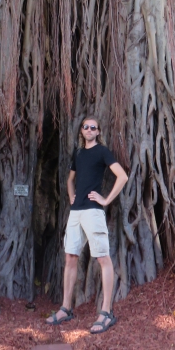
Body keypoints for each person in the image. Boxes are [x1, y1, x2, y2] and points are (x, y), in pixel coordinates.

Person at [46, 118, 128, 334]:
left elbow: (122, 176)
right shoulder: (78, 154)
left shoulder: (102, 151)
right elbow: (69, 180)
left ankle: (106, 312)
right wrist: (71, 195)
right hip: (76, 212)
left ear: (98, 131)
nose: (89, 130)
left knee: (103, 258)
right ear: (81, 131)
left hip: (93, 211)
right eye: (86, 127)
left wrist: (106, 199)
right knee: (70, 257)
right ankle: (66, 308)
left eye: (93, 127)